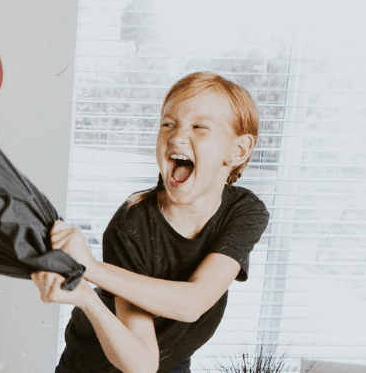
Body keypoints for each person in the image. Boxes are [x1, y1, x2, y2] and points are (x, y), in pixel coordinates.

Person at [33, 72, 270, 373]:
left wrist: (91, 268)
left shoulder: (243, 211)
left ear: (238, 151)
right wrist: (85, 298)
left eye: (199, 127)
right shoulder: (130, 226)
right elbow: (141, 364)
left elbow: (194, 301)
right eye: (168, 124)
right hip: (99, 364)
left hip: (173, 357)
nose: (177, 136)